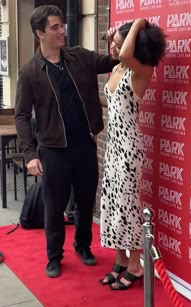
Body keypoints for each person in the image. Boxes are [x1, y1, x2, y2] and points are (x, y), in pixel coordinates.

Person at [15, 5, 118, 278]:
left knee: (85, 202)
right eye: (55, 27)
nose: (63, 31)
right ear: (40, 33)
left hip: (84, 145)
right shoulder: (30, 72)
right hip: (52, 150)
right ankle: (54, 257)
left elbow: (111, 62)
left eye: (62, 25)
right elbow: (22, 116)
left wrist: (116, 42)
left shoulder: (79, 57)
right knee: (54, 205)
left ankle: (83, 246)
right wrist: (30, 155)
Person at [99, 19, 166, 290]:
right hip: (114, 143)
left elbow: (126, 53)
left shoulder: (142, 70)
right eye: (113, 45)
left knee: (128, 205)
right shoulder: (117, 68)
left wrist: (137, 22)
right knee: (111, 202)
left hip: (129, 146)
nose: (114, 49)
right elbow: (112, 95)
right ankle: (120, 260)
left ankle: (136, 265)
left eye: (118, 44)